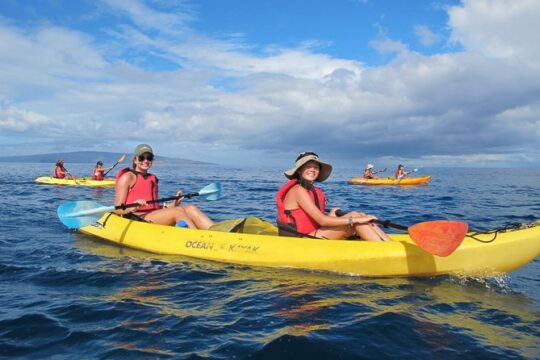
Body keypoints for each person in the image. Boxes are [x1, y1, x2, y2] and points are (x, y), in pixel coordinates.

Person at [276, 151, 390, 241]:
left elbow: (317, 217)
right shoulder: (298, 190)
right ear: (299, 170)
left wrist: (332, 214)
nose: (312, 170)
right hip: (301, 240)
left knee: (359, 215)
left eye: (316, 167)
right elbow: (322, 221)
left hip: (315, 233)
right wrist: (357, 219)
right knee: (356, 218)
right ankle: (387, 250)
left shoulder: (311, 190)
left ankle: (390, 245)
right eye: (308, 166)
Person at [114, 144, 214, 229]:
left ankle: (218, 233)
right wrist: (133, 207)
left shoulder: (153, 178)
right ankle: (197, 238)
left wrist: (175, 203)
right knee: (177, 212)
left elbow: (158, 208)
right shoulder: (127, 177)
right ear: (135, 160)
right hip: (136, 218)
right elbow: (117, 209)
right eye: (142, 158)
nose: (145, 161)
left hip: (153, 215)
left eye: (149, 158)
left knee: (191, 208)